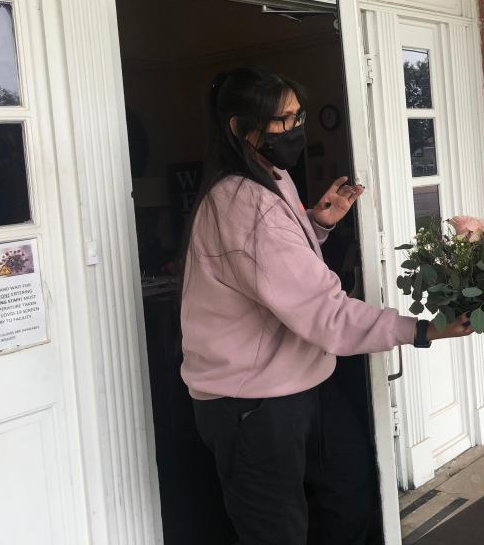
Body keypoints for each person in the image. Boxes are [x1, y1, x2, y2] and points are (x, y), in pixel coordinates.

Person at [180, 67, 469, 545]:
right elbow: (326, 314)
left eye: (298, 116)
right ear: (239, 128)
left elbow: (271, 269)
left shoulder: (273, 179)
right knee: (277, 530)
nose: (294, 129)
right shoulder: (243, 204)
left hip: (301, 378)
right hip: (250, 402)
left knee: (350, 488)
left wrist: (315, 224)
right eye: (281, 121)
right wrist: (424, 330)